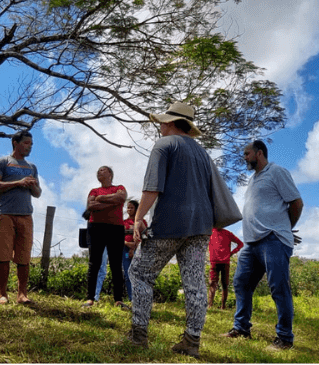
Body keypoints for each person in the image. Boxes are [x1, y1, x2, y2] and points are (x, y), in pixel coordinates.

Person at [125, 102, 213, 356]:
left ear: (172, 122)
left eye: (163, 121)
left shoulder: (164, 145)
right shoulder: (202, 153)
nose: (160, 126)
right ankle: (192, 342)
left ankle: (139, 335)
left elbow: (152, 187)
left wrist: (138, 218)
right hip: (201, 226)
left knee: (140, 273)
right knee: (195, 283)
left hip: (170, 223)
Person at [224, 140, 302, 351]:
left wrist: (284, 228)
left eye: (247, 153)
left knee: (278, 287)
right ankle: (241, 328)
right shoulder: (252, 180)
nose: (244, 157)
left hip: (273, 239)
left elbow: (296, 203)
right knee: (241, 283)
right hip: (251, 243)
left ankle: (285, 338)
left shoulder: (276, 172)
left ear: (259, 153)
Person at [0, 130, 41, 305]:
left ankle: (22, 295)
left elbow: (38, 193)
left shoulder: (32, 167)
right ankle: (2, 294)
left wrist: (32, 186)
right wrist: (18, 182)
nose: (29, 147)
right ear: (15, 143)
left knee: (24, 257)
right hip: (4, 214)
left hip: (26, 215)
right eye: (26, 143)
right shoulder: (2, 163)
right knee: (3, 255)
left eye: (31, 144)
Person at [83, 166, 128, 307]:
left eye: (103, 170)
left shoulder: (119, 187)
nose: (99, 172)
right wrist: (113, 202)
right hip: (96, 228)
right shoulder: (94, 191)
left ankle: (118, 299)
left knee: (116, 264)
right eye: (98, 171)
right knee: (94, 263)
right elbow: (91, 206)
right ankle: (90, 298)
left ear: (110, 174)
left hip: (116, 229)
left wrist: (101, 199)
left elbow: (122, 197)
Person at [208, 226, 243, 309]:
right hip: (214, 262)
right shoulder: (209, 232)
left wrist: (231, 253)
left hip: (225, 262)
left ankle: (223, 306)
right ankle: (210, 305)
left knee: (224, 284)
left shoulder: (228, 233)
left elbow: (241, 244)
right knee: (213, 283)